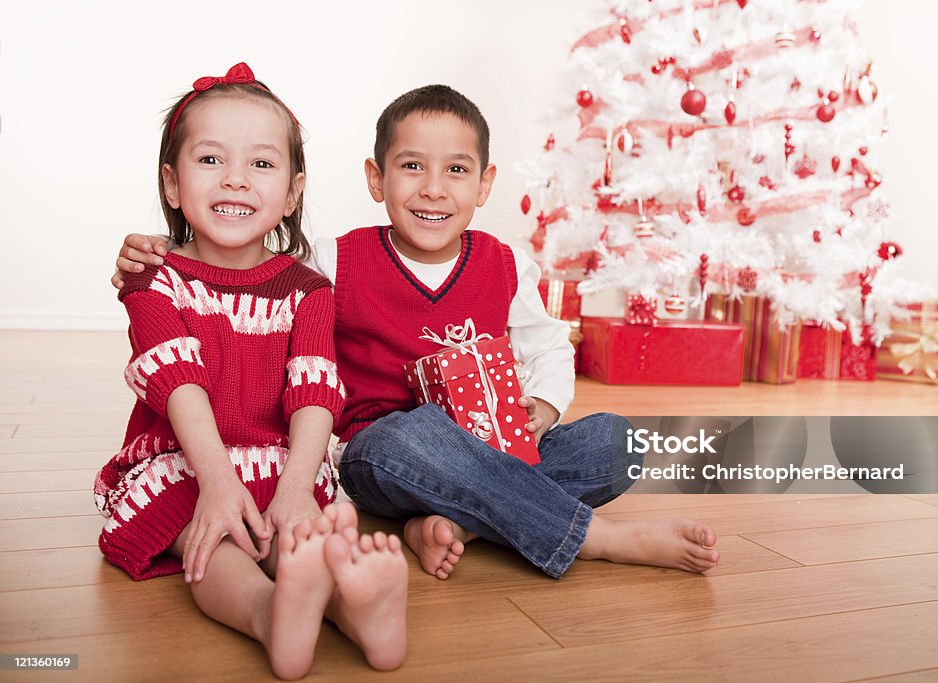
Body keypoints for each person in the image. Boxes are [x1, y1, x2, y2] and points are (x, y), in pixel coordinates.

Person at [113, 84, 720, 584]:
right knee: (414, 432)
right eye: (411, 168)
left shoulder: (506, 265)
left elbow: (548, 347)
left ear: (484, 185)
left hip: (492, 447)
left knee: (619, 442)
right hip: (384, 452)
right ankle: (596, 538)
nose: (434, 188)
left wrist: (544, 405)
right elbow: (240, 260)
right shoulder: (331, 262)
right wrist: (160, 254)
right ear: (377, 179)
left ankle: (463, 522)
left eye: (457, 171)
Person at [97, 63, 406, 678]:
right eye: (210, 160)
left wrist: (295, 487)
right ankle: (270, 612)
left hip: (284, 462)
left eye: (261, 165)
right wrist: (217, 480)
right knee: (213, 540)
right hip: (189, 462)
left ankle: (358, 608)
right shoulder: (156, 280)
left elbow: (316, 387)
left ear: (292, 192)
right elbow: (175, 378)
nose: (236, 179)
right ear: (172, 183)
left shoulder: (308, 288)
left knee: (304, 537)